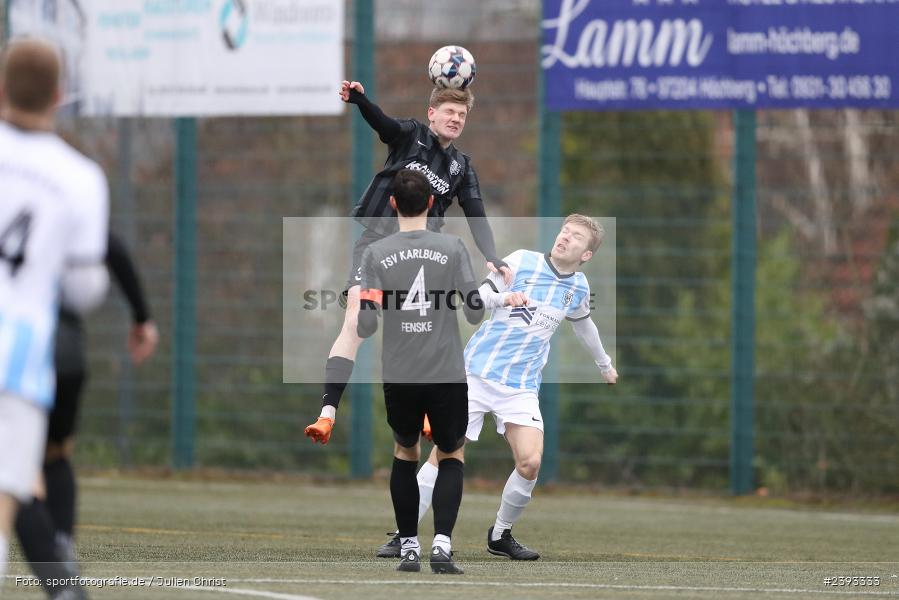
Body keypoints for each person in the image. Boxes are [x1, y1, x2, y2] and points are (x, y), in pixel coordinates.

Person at [376, 214, 618, 561]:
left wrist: (604, 365)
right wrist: (504, 298)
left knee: (531, 463)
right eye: (565, 231)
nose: (565, 238)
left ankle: (500, 535)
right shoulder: (521, 261)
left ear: (586, 255)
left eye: (576, 237)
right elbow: (478, 298)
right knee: (444, 453)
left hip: (520, 387)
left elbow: (585, 327)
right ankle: (405, 534)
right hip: (475, 374)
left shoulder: (577, 288)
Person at [303, 80, 510, 441]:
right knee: (354, 321)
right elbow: (384, 124)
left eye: (462, 114)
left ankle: (430, 412)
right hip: (377, 244)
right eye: (449, 111)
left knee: (429, 330)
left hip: (423, 256)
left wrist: (492, 255)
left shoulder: (461, 167)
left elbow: (476, 213)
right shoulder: (412, 135)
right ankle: (326, 415)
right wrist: (360, 99)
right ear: (432, 113)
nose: (456, 118)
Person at [325, 169, 484, 574]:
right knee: (450, 453)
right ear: (432, 204)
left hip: (399, 373)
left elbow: (367, 325)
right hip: (446, 371)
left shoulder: (375, 255)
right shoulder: (452, 247)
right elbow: (473, 311)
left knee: (405, 452)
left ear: (393, 203)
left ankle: (410, 545)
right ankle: (442, 547)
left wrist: (363, 307)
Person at [0, 38, 109, 598]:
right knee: (9, 490)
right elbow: (86, 288)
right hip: (21, 355)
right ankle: (64, 588)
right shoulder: (80, 177)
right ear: (60, 96)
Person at [15, 231, 159, 587]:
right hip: (65, 349)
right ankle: (61, 550)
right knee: (53, 455)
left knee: (15, 474)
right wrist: (142, 316)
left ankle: (60, 581)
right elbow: (113, 246)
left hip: (14, 345)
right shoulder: (71, 188)